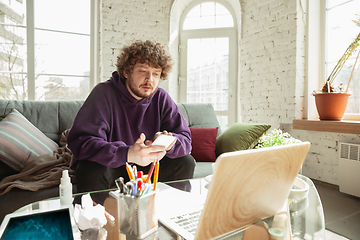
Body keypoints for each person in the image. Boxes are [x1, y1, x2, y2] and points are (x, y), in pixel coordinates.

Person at [67, 40, 195, 194]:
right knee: (91, 169)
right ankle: (99, 217)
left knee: (185, 162)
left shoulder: (161, 98)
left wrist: (170, 143)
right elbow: (81, 142)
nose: (150, 79)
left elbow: (185, 140)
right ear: (127, 72)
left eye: (156, 73)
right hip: (112, 165)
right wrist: (128, 154)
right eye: (143, 71)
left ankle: (169, 214)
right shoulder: (103, 94)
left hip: (148, 166)